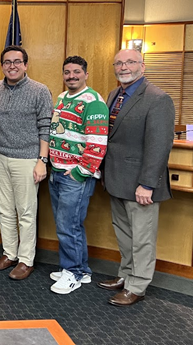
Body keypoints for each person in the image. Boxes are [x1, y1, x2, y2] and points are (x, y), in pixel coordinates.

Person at [98, 49, 175, 306]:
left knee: (142, 237)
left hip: (140, 184)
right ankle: (126, 275)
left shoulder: (157, 98)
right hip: (116, 179)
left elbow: (159, 145)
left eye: (130, 62)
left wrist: (147, 183)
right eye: (118, 63)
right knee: (124, 234)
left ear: (142, 66)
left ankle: (138, 285)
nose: (123, 67)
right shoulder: (114, 94)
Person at [0, 46, 52, 280]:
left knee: (25, 211)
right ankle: (9, 253)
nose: (12, 66)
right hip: (0, 156)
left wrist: (42, 160)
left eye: (17, 62)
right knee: (4, 209)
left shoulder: (39, 90)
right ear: (2, 65)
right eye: (7, 62)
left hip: (27, 159)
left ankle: (26, 260)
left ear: (25, 64)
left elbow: (46, 127)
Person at [48, 56, 109, 294]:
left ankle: (71, 272)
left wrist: (80, 172)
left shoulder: (94, 102)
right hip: (57, 171)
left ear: (85, 74)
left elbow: (97, 144)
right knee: (71, 224)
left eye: (76, 71)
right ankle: (81, 270)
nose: (71, 76)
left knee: (68, 226)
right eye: (67, 72)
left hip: (75, 175)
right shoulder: (63, 98)